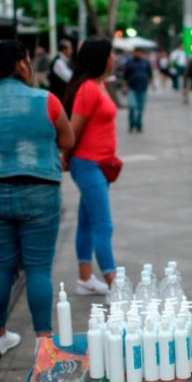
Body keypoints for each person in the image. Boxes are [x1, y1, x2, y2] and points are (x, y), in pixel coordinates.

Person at [0, 39, 74, 347]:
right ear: (19, 64)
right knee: (39, 268)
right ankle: (43, 338)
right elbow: (68, 139)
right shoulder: (46, 100)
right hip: (41, 191)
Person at [63, 37, 118, 294]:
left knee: (86, 221)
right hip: (87, 164)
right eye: (111, 54)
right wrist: (64, 157)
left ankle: (85, 279)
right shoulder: (88, 89)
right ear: (102, 58)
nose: (114, 58)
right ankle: (114, 286)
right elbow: (73, 131)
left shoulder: (100, 84)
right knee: (103, 225)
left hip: (101, 164)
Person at [124, 48, 153, 133]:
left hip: (143, 87)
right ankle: (131, 124)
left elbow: (149, 75)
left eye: (139, 52)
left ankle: (139, 124)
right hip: (132, 87)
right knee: (132, 106)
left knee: (141, 108)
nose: (138, 54)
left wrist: (151, 85)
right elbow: (125, 76)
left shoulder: (145, 63)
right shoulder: (129, 63)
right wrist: (125, 86)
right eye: (136, 52)